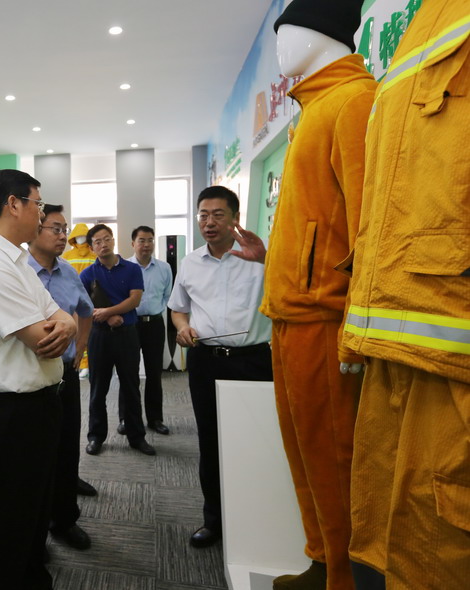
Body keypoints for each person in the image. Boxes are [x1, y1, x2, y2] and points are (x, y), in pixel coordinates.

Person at [244, 3, 376, 587]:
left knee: (335, 457)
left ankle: (343, 577)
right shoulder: (312, 111)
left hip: (326, 319)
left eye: (288, 31)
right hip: (292, 316)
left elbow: (370, 228)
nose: (282, 45)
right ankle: (321, 561)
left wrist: (357, 328)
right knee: (304, 455)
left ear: (322, 32)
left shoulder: (354, 102)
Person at [342, 1, 470, 588]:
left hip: (448, 345)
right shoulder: (412, 40)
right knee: (378, 534)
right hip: (387, 339)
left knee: (439, 543)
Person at [0, 169, 76, 590]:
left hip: (39, 404)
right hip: (14, 411)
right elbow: (44, 340)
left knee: (34, 509)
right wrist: (64, 326)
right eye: (38, 204)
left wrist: (68, 324)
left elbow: (60, 314)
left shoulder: (17, 260)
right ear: (13, 204)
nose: (42, 214)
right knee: (10, 518)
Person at [168, 185, 272, 549]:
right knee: (210, 440)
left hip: (253, 360)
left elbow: (293, 291)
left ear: (235, 219)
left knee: (258, 438)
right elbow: (178, 308)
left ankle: (259, 517)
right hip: (205, 361)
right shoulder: (190, 263)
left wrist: (266, 261)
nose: (209, 223)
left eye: (218, 215)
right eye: (203, 215)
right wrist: (182, 328)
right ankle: (214, 520)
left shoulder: (260, 257)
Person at [27, 204, 95, 552]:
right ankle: (34, 532)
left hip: (65, 376)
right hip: (30, 379)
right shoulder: (17, 272)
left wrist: (80, 347)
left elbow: (86, 311)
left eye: (65, 229)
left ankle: (65, 520)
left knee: (67, 448)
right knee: (36, 458)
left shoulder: (69, 272)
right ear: (35, 229)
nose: (63, 235)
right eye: (55, 228)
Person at [80, 224, 155, 456]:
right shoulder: (87, 274)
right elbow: (84, 307)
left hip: (127, 335)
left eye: (106, 239)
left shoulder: (132, 269)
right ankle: (95, 436)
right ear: (92, 247)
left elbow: (135, 300)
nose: (103, 245)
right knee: (97, 389)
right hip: (99, 336)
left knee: (131, 387)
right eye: (97, 242)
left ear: (113, 240)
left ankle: (136, 437)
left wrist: (109, 312)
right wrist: (107, 316)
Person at [121, 225, 173, 436]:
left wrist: (157, 310)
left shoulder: (164, 268)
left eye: (150, 240)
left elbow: (167, 295)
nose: (146, 244)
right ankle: (126, 418)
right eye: (141, 240)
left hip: (154, 325)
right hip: (130, 324)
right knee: (128, 373)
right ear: (133, 244)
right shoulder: (124, 267)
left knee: (154, 373)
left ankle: (155, 418)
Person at [62, 223, 96, 377]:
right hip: (73, 299)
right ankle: (78, 362)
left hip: (86, 299)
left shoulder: (92, 256)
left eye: (83, 236)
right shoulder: (67, 256)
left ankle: (86, 364)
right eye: (78, 236)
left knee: (86, 333)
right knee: (74, 332)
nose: (81, 238)